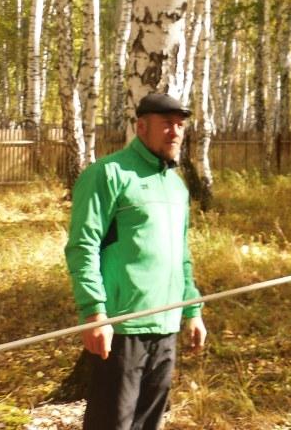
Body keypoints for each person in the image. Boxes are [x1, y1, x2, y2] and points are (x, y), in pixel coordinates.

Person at [65, 93, 207, 430]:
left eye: (180, 125)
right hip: (123, 328)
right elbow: (82, 246)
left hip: (166, 326)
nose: (175, 131)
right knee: (111, 423)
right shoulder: (107, 174)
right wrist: (95, 313)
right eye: (166, 124)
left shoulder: (176, 186)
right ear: (141, 127)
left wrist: (192, 310)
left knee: (150, 423)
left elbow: (180, 255)